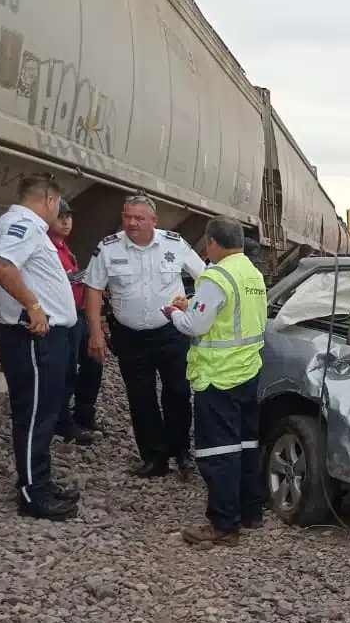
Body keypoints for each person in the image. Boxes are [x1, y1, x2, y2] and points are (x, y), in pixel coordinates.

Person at [84, 194, 206, 479]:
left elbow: (204, 277)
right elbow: (93, 288)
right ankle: (154, 458)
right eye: (127, 217)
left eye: (139, 218)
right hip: (130, 336)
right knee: (141, 397)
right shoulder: (109, 248)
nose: (131, 223)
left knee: (177, 392)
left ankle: (181, 453)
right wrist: (95, 332)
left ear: (154, 221)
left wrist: (194, 305)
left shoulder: (174, 244)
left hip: (170, 332)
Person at [163, 217, 267, 547]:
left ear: (211, 242)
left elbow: (195, 325)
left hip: (217, 376)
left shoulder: (216, 275)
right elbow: (230, 315)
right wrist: (193, 305)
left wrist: (176, 314)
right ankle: (250, 511)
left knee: (218, 451)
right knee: (246, 444)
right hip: (247, 370)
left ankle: (223, 525)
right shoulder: (252, 273)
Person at [0, 174, 81, 521]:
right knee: (36, 415)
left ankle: (38, 479)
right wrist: (34, 305)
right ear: (51, 201)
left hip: (43, 336)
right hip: (33, 336)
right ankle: (32, 493)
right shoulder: (21, 224)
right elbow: (1, 263)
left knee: (43, 412)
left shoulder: (23, 225)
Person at [49, 200, 102, 444]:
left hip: (77, 313)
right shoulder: (47, 248)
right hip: (63, 317)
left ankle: (83, 413)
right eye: (61, 217)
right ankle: (61, 421)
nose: (66, 222)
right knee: (66, 370)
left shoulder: (64, 248)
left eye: (69, 217)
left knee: (93, 362)